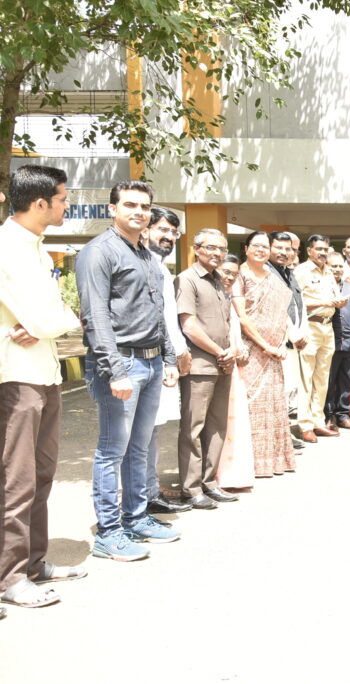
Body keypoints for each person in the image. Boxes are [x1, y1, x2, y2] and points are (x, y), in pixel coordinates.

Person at [77, 180, 181, 560]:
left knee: (139, 447)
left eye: (145, 206)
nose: (139, 211)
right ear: (112, 209)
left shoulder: (146, 255)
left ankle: (136, 518)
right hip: (120, 363)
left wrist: (168, 359)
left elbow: (157, 313)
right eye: (130, 205)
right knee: (112, 450)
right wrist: (114, 370)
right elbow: (96, 317)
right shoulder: (98, 253)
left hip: (152, 361)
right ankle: (108, 532)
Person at [1, 165, 86, 610]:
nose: (66, 204)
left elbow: (49, 315)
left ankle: (34, 562)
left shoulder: (35, 247)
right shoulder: (7, 247)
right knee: (16, 482)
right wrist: (51, 323)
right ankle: (10, 577)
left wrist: (46, 324)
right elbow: (50, 316)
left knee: (41, 474)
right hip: (16, 376)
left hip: (45, 371)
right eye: (62, 198)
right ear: (40, 203)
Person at [175, 228, 237, 509]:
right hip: (201, 365)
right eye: (211, 247)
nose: (217, 253)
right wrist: (219, 351)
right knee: (193, 427)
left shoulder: (219, 281)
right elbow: (188, 324)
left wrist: (231, 350)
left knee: (216, 427)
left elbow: (226, 323)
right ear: (196, 249)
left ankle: (210, 481)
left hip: (223, 364)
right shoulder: (187, 280)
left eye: (221, 249)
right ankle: (190, 487)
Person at [142, 207, 193, 515]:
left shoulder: (161, 267)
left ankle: (149, 489)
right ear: (145, 230)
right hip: (146, 360)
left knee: (152, 430)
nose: (169, 236)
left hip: (165, 359)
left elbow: (168, 320)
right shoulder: (142, 265)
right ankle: (143, 497)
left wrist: (178, 352)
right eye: (162, 229)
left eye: (173, 232)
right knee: (141, 433)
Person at [234, 232, 296, 477]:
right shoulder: (240, 275)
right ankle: (249, 464)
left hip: (274, 353)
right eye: (256, 246)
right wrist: (265, 345)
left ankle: (273, 461)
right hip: (250, 351)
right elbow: (241, 317)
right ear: (246, 248)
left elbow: (282, 312)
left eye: (264, 246)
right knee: (251, 407)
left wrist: (280, 341)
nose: (260, 250)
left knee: (273, 406)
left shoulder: (273, 277)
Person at [294, 234, 343, 442]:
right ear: (309, 251)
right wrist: (325, 302)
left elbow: (332, 298)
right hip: (310, 326)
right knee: (306, 377)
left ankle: (318, 421)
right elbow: (296, 301)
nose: (323, 253)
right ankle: (304, 425)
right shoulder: (301, 271)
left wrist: (338, 303)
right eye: (319, 249)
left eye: (326, 249)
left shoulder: (329, 272)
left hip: (327, 327)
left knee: (322, 378)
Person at [214, 255, 256, 489]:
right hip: (218, 362)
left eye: (233, 273)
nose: (229, 277)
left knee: (235, 419)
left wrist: (241, 350)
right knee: (218, 421)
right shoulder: (208, 294)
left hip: (234, 365)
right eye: (224, 271)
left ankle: (234, 473)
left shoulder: (228, 297)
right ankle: (218, 474)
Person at [268, 231, 309, 446]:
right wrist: (293, 333)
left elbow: (297, 306)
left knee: (288, 391)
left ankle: (284, 435)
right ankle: (277, 439)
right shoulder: (267, 272)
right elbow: (275, 308)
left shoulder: (287, 273)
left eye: (291, 249)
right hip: (275, 343)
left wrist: (302, 332)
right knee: (278, 393)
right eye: (281, 248)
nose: (286, 253)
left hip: (293, 342)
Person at [324, 250, 350, 430]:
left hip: (349, 339)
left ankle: (343, 414)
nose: (337, 269)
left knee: (346, 380)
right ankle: (328, 415)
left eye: (340, 266)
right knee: (329, 381)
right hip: (329, 339)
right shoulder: (323, 286)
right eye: (334, 266)